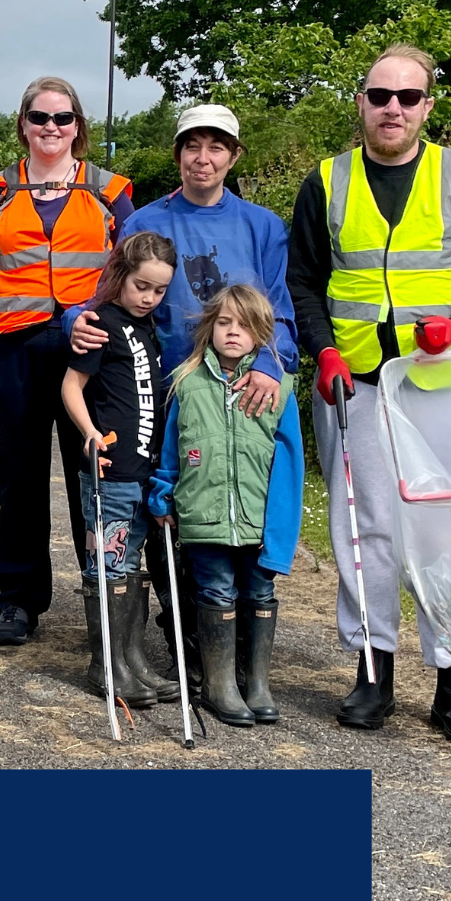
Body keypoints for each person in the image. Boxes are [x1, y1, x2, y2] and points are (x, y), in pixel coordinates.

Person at [288, 44, 451, 746]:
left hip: (445, 388)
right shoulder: (325, 182)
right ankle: (373, 672)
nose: (393, 108)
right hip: (355, 387)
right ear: (359, 101)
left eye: (408, 97)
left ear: (428, 106)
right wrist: (322, 348)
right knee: (366, 534)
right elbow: (302, 282)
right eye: (379, 95)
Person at [63, 102, 299, 694]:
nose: (204, 157)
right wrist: (75, 322)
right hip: (157, 396)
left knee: (222, 522)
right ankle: (167, 651)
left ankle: (229, 661)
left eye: (216, 147)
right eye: (192, 145)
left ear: (234, 156)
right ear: (177, 153)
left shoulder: (263, 227)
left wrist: (271, 364)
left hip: (236, 398)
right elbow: (103, 298)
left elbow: (283, 314)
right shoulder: (145, 219)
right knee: (155, 522)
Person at [0, 76, 134, 648]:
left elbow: (135, 268)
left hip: (88, 346)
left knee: (95, 471)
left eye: (62, 118)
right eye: (39, 118)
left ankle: (101, 594)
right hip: (13, 351)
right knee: (20, 479)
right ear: (23, 124)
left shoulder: (111, 190)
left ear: (78, 126)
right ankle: (18, 601)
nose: (50, 128)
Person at [147, 285, 304, 727]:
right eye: (224, 322)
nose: (233, 332)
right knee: (214, 592)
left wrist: (280, 532)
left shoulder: (280, 389)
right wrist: (163, 491)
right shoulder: (186, 382)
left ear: (262, 334)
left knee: (259, 593)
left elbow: (289, 465)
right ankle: (220, 686)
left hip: (257, 520)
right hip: (204, 515)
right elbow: (171, 450)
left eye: (246, 325)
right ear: (209, 328)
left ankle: (255, 683)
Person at [59, 231, 179, 710]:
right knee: (108, 562)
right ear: (120, 277)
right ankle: (106, 665)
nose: (149, 297)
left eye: (159, 290)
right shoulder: (102, 323)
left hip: (142, 470)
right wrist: (89, 432)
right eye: (141, 286)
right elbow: (71, 386)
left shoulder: (148, 329)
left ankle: (133, 659)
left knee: (131, 561)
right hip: (109, 469)